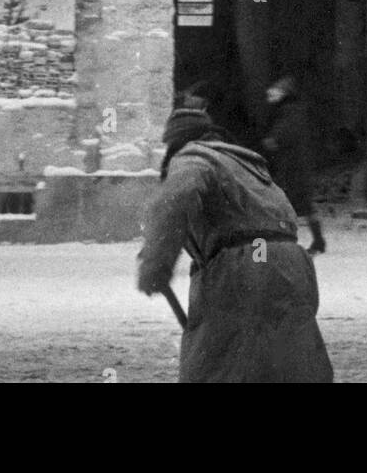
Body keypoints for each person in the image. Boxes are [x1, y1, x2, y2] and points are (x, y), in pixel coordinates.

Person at [137, 102, 333, 384]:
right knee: (291, 366)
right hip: (291, 264)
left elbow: (172, 204)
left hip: (245, 265)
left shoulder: (192, 156)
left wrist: (155, 265)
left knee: (215, 365)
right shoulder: (248, 166)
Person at [262, 75, 326, 255]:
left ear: (285, 94)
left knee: (282, 202)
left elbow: (279, 137)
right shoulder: (293, 110)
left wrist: (272, 140)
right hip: (297, 164)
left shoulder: (289, 112)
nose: (270, 93)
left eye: (276, 91)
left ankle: (283, 240)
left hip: (293, 166)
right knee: (304, 205)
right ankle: (318, 241)